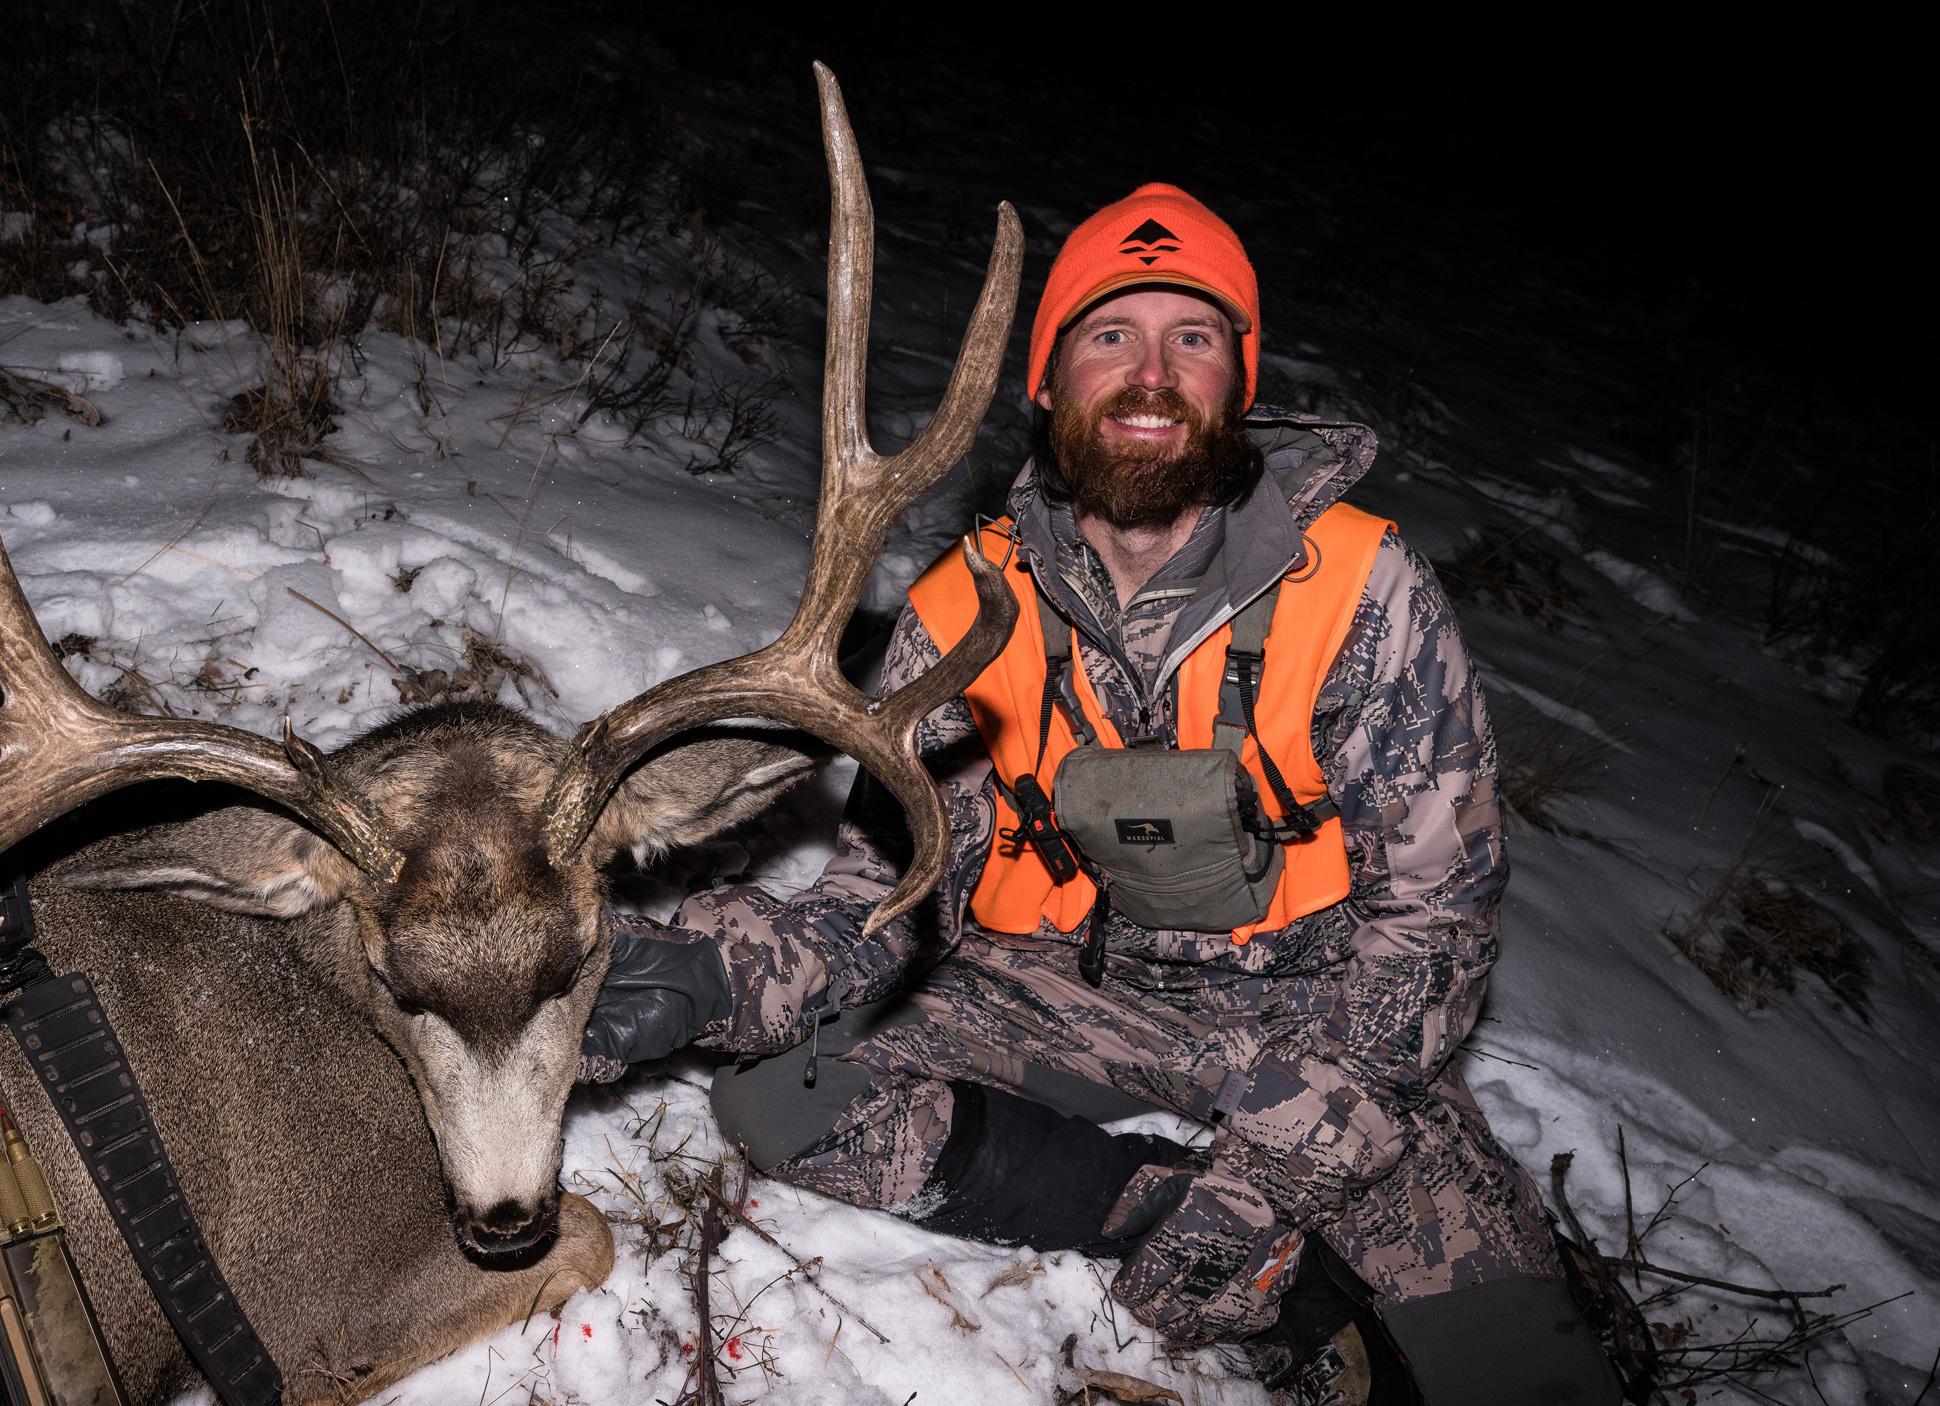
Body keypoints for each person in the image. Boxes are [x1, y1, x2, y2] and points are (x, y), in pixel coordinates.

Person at [581, 184, 1625, 1405]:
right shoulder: (966, 605)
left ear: (1238, 379)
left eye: (1192, 337)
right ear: (1049, 381)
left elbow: (1436, 932)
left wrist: (1273, 1175)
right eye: (1107, 335)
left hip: (1322, 1033)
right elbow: (880, 899)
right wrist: (706, 969)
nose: (1149, 373)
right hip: (1059, 996)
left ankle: (1321, 1252)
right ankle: (1157, 1213)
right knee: (789, 1100)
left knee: (1526, 1384)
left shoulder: (1364, 589)